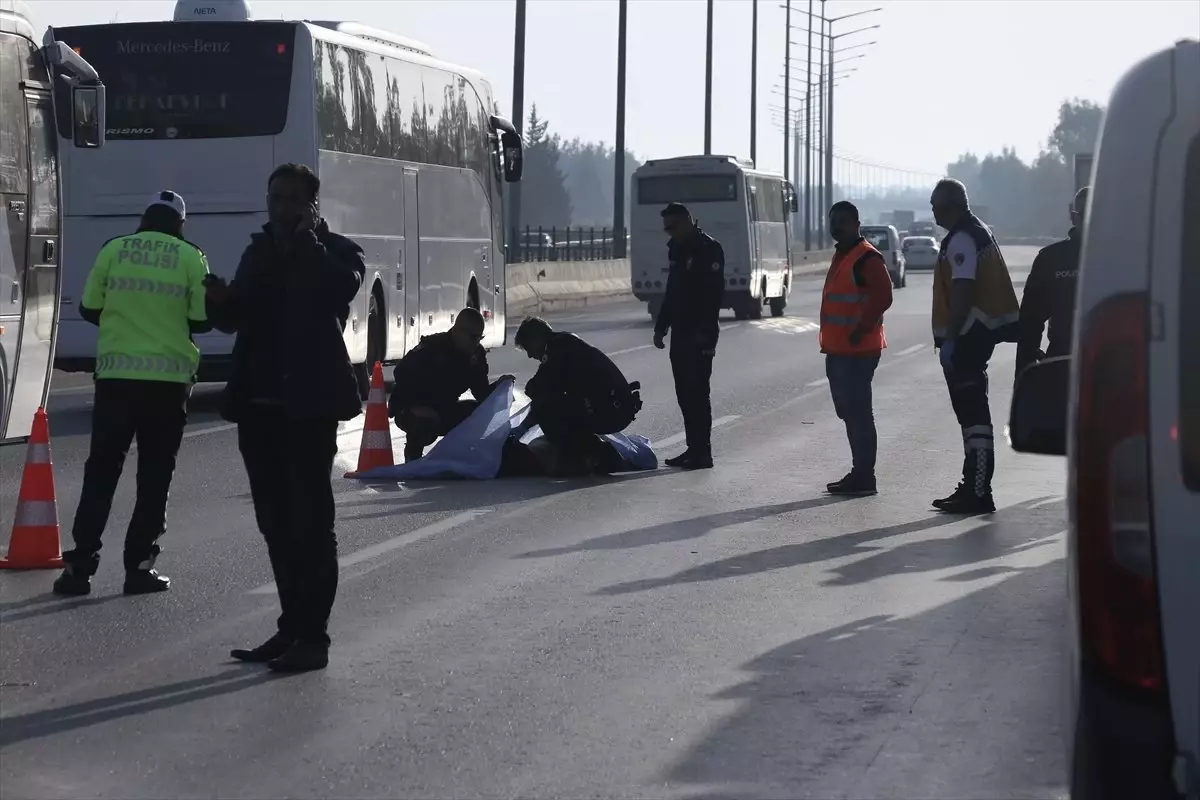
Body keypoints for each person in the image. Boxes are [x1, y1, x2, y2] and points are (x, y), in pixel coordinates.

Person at [205, 163, 365, 673]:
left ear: (312, 205)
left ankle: (314, 639)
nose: (282, 207)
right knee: (274, 523)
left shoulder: (337, 252)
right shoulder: (258, 252)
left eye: (293, 199)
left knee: (311, 526)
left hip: (310, 409)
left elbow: (338, 292)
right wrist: (221, 303)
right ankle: (291, 625)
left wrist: (306, 244)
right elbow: (238, 319)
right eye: (276, 197)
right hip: (258, 406)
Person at [53, 191, 210, 597]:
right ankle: (139, 568)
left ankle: (79, 568)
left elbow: (90, 308)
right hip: (168, 384)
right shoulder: (191, 256)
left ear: (144, 220)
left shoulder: (113, 250)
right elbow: (201, 319)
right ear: (180, 224)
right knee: (155, 477)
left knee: (101, 473)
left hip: (116, 381)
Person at [929, 178, 1020, 514]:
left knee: (974, 419)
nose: (932, 211)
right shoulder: (974, 231)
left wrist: (952, 339)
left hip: (969, 337)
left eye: (935, 204)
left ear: (950, 205)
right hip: (974, 336)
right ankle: (973, 486)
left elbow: (963, 290)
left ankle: (978, 491)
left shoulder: (963, 238)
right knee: (972, 418)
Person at [820, 201, 894, 496]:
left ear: (855, 223)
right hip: (839, 350)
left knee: (859, 413)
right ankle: (861, 472)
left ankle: (864, 475)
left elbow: (883, 297)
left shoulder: (866, 258)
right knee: (849, 412)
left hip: (857, 351)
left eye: (842, 221)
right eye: (832, 221)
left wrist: (860, 330)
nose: (835, 226)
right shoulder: (843, 254)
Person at [514, 317, 641, 473]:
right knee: (556, 405)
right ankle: (595, 456)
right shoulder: (563, 343)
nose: (530, 356)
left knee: (546, 409)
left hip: (609, 410)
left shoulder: (558, 349)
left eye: (528, 348)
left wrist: (523, 428)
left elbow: (538, 390)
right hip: (612, 406)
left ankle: (580, 458)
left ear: (536, 339)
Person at [652, 202, 725, 470]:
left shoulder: (708, 248)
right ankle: (692, 448)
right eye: (666, 229)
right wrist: (662, 326)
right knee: (684, 393)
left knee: (697, 393)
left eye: (672, 227)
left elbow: (713, 296)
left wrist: (706, 336)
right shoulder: (677, 249)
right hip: (681, 332)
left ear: (686, 221)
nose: (669, 233)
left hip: (700, 333)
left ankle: (702, 452)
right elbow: (673, 292)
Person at [388, 308, 514, 461]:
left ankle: (462, 456)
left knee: (477, 412)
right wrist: (415, 406)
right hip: (412, 409)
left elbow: (481, 393)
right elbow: (401, 374)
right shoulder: (432, 348)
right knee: (423, 422)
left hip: (444, 408)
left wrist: (499, 387)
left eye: (480, 338)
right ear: (458, 331)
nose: (476, 343)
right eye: (473, 337)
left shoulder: (475, 355)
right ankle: (412, 459)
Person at [1016, 186, 1088, 377]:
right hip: (1064, 360)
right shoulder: (1051, 259)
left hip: (1115, 363)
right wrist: (1025, 375)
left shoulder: (1127, 256)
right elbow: (1030, 322)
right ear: (1074, 217)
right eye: (1088, 214)